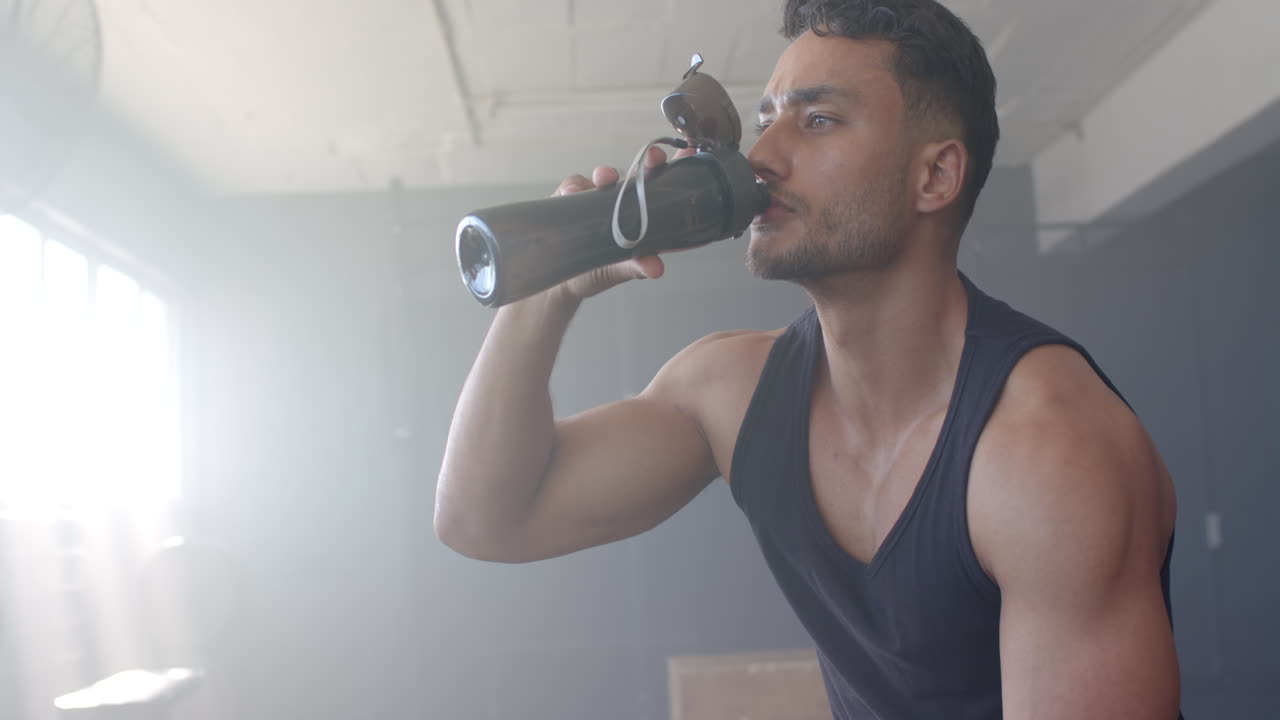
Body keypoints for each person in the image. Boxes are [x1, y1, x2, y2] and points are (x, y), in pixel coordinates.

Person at [435, 0, 1184, 717]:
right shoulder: (730, 392)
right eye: (765, 122)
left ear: (935, 177)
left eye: (818, 121)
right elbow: (484, 521)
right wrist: (540, 299)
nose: (760, 157)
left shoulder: (1049, 451)